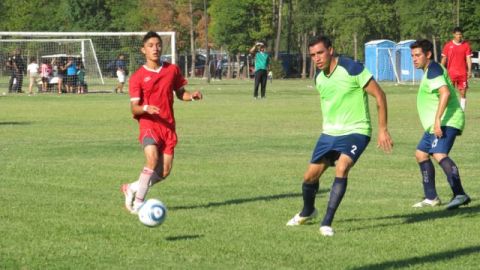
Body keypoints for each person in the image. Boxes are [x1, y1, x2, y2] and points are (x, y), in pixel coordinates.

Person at [285, 36, 393, 236]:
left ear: (331, 50)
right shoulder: (319, 78)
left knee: (342, 168)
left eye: (320, 53)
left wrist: (383, 129)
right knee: (309, 177)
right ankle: (308, 211)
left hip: (357, 130)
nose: (316, 58)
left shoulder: (351, 68)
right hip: (330, 134)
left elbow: (380, 95)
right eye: (312, 55)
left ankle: (326, 222)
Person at [121, 31, 203, 214]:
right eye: (150, 45)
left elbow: (181, 93)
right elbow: (134, 108)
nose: (155, 48)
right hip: (149, 125)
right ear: (143, 50)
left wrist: (192, 96)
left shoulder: (172, 70)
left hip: (168, 126)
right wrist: (145, 108)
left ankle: (132, 188)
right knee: (152, 159)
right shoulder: (137, 77)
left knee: (164, 172)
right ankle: (140, 204)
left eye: (158, 45)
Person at [410, 39, 470, 210]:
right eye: (412, 56)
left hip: (447, 120)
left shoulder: (433, 70)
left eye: (418, 55)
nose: (414, 59)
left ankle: (460, 194)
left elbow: (445, 93)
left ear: (428, 55)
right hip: (436, 123)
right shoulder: (430, 69)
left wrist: (437, 120)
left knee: (439, 153)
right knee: (421, 154)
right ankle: (431, 197)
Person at [441, 27, 472, 111]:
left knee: (463, 93)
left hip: (462, 74)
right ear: (454, 35)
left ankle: (462, 111)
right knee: (450, 93)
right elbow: (444, 59)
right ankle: (450, 110)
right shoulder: (448, 45)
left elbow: (468, 59)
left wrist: (469, 70)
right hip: (451, 73)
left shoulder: (466, 45)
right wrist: (441, 70)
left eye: (460, 34)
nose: (459, 36)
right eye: (457, 34)